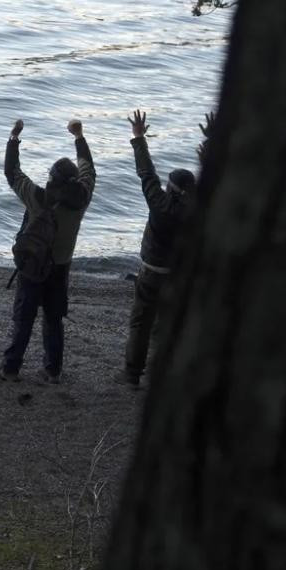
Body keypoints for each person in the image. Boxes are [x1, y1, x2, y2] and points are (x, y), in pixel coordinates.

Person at [0, 118, 96, 384]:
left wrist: (14, 137)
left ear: (52, 178)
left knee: (24, 318)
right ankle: (53, 370)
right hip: (61, 265)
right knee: (54, 319)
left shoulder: (38, 198)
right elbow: (89, 170)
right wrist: (79, 136)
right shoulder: (82, 199)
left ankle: (10, 369)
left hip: (33, 265)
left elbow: (12, 172)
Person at [115, 110, 197, 388]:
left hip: (151, 273)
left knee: (140, 323)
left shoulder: (159, 205)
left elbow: (145, 172)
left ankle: (132, 375)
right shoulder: (198, 210)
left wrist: (139, 138)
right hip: (178, 275)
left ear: (170, 188)